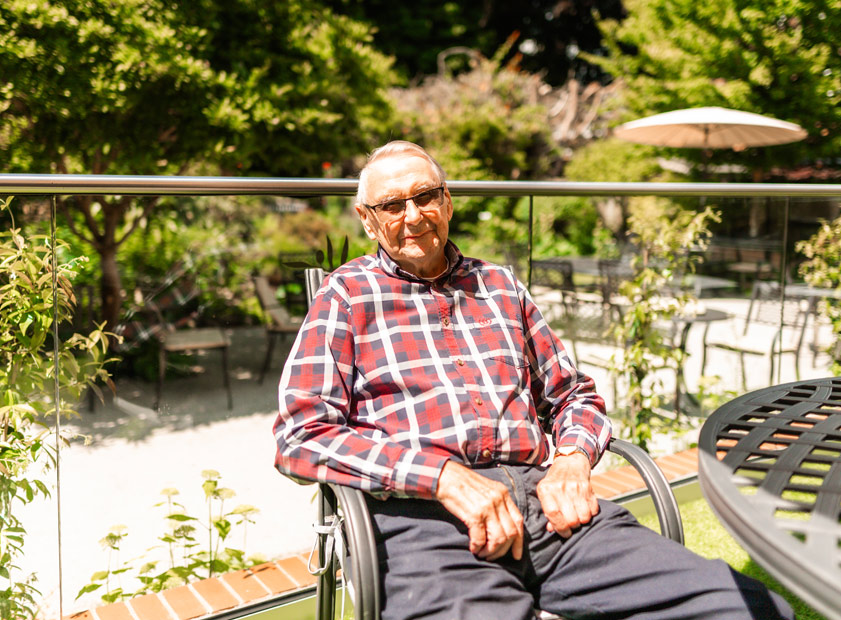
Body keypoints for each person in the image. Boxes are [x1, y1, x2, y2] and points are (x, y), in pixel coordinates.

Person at [274, 140, 794, 620]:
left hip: (550, 509)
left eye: (425, 196)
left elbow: (575, 394)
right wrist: (443, 478)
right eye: (392, 205)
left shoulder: (499, 285)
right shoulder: (346, 296)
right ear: (368, 221)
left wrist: (571, 461)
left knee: (750, 607)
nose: (413, 216)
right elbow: (299, 436)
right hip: (426, 523)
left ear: (447, 202)